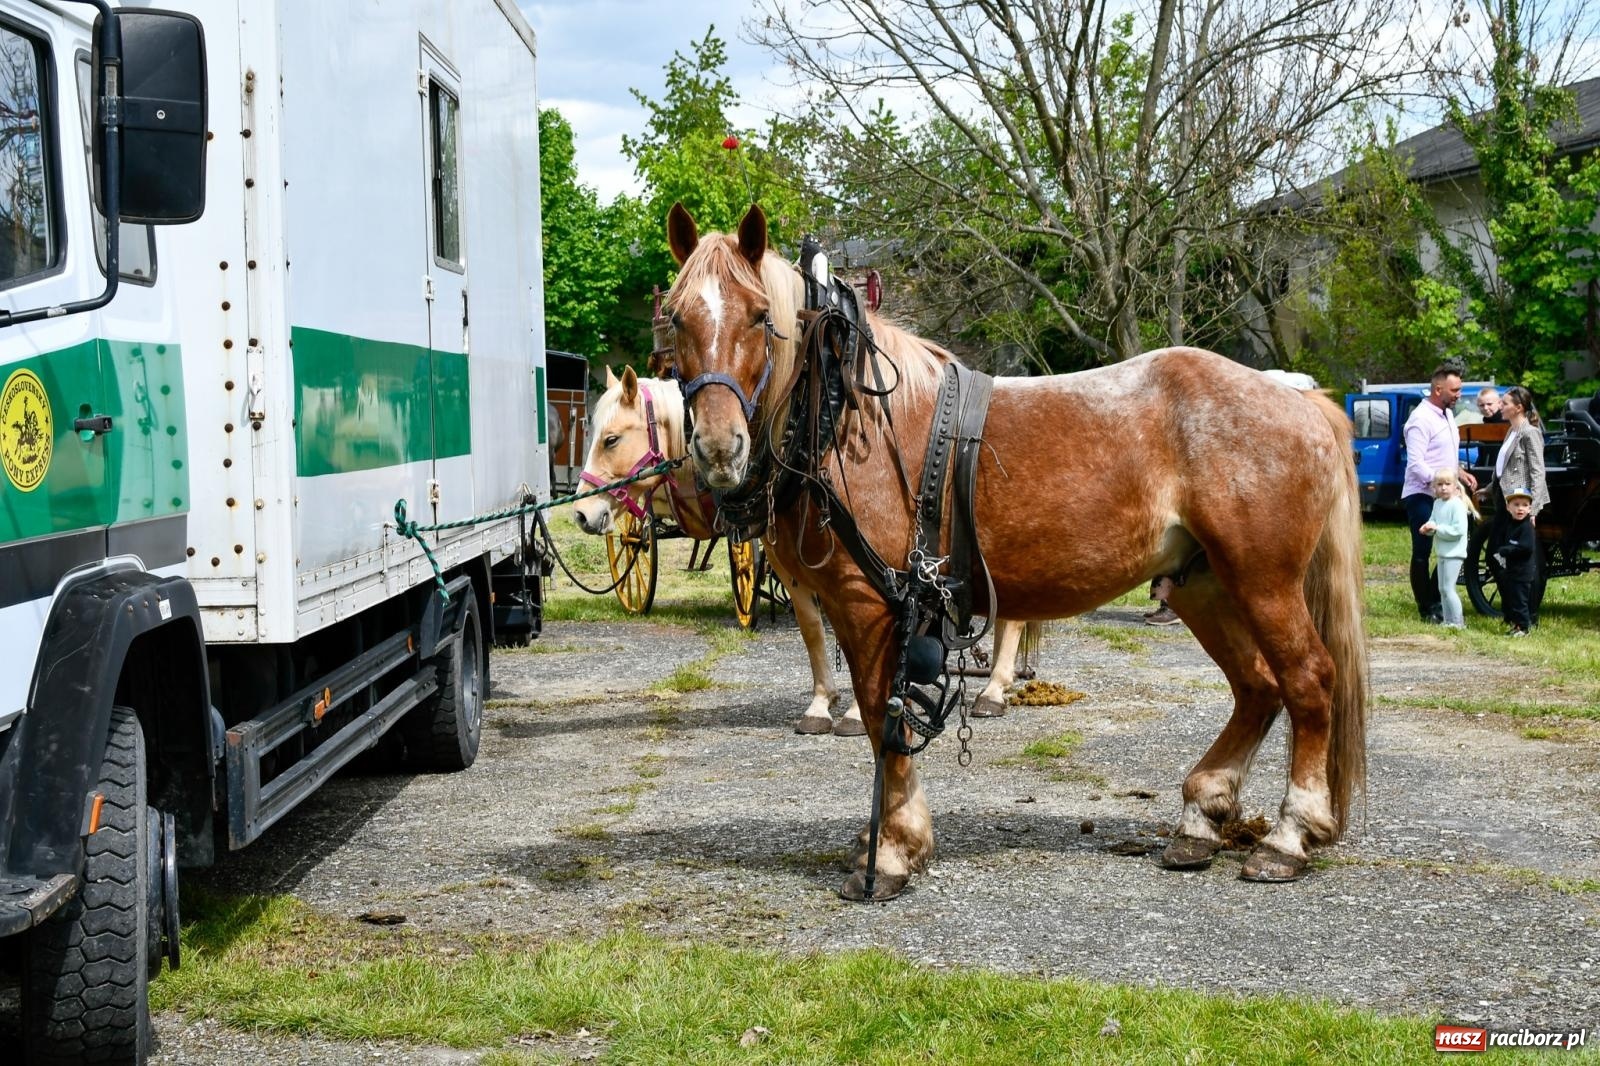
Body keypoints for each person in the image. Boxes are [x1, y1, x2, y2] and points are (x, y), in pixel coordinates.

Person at [1402, 365, 1478, 622]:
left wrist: (1459, 472)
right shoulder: (1420, 419)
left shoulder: (1447, 415)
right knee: (1423, 550)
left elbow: (1444, 455)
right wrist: (1442, 484)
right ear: (1438, 389)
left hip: (1446, 492)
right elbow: (1416, 464)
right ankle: (1427, 608)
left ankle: (1437, 597)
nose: (1459, 395)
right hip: (1422, 494)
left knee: (1455, 542)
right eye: (1455, 390)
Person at [1490, 385, 1549, 623]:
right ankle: (1513, 610)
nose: (1500, 407)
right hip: (1505, 501)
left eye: (1504, 403)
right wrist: (1489, 488)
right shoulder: (1511, 431)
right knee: (1496, 555)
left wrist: (1532, 509)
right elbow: (1504, 467)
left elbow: (1537, 471)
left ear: (1518, 408)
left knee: (1524, 560)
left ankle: (1526, 614)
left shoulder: (1529, 433)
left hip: (1520, 505)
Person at [1418, 469, 1476, 629]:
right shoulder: (1437, 504)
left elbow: (1457, 531)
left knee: (1449, 589)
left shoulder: (1457, 505)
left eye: (1447, 484)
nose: (1443, 487)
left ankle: (1458, 622)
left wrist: (1437, 529)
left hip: (1455, 554)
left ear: (1455, 486)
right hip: (1442, 553)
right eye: (1439, 484)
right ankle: (1447, 620)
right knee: (1442, 588)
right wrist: (1427, 528)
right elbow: (1433, 521)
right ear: (1434, 487)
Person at [1494, 488, 1539, 636]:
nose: (1520, 508)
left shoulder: (1527, 527)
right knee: (1513, 600)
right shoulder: (1511, 525)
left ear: (1530, 509)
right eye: (1516, 504)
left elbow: (1526, 548)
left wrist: (1506, 550)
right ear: (1508, 507)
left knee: (1520, 601)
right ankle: (1516, 625)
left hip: (1523, 572)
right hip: (1512, 571)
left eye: (1525, 505)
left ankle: (1524, 628)